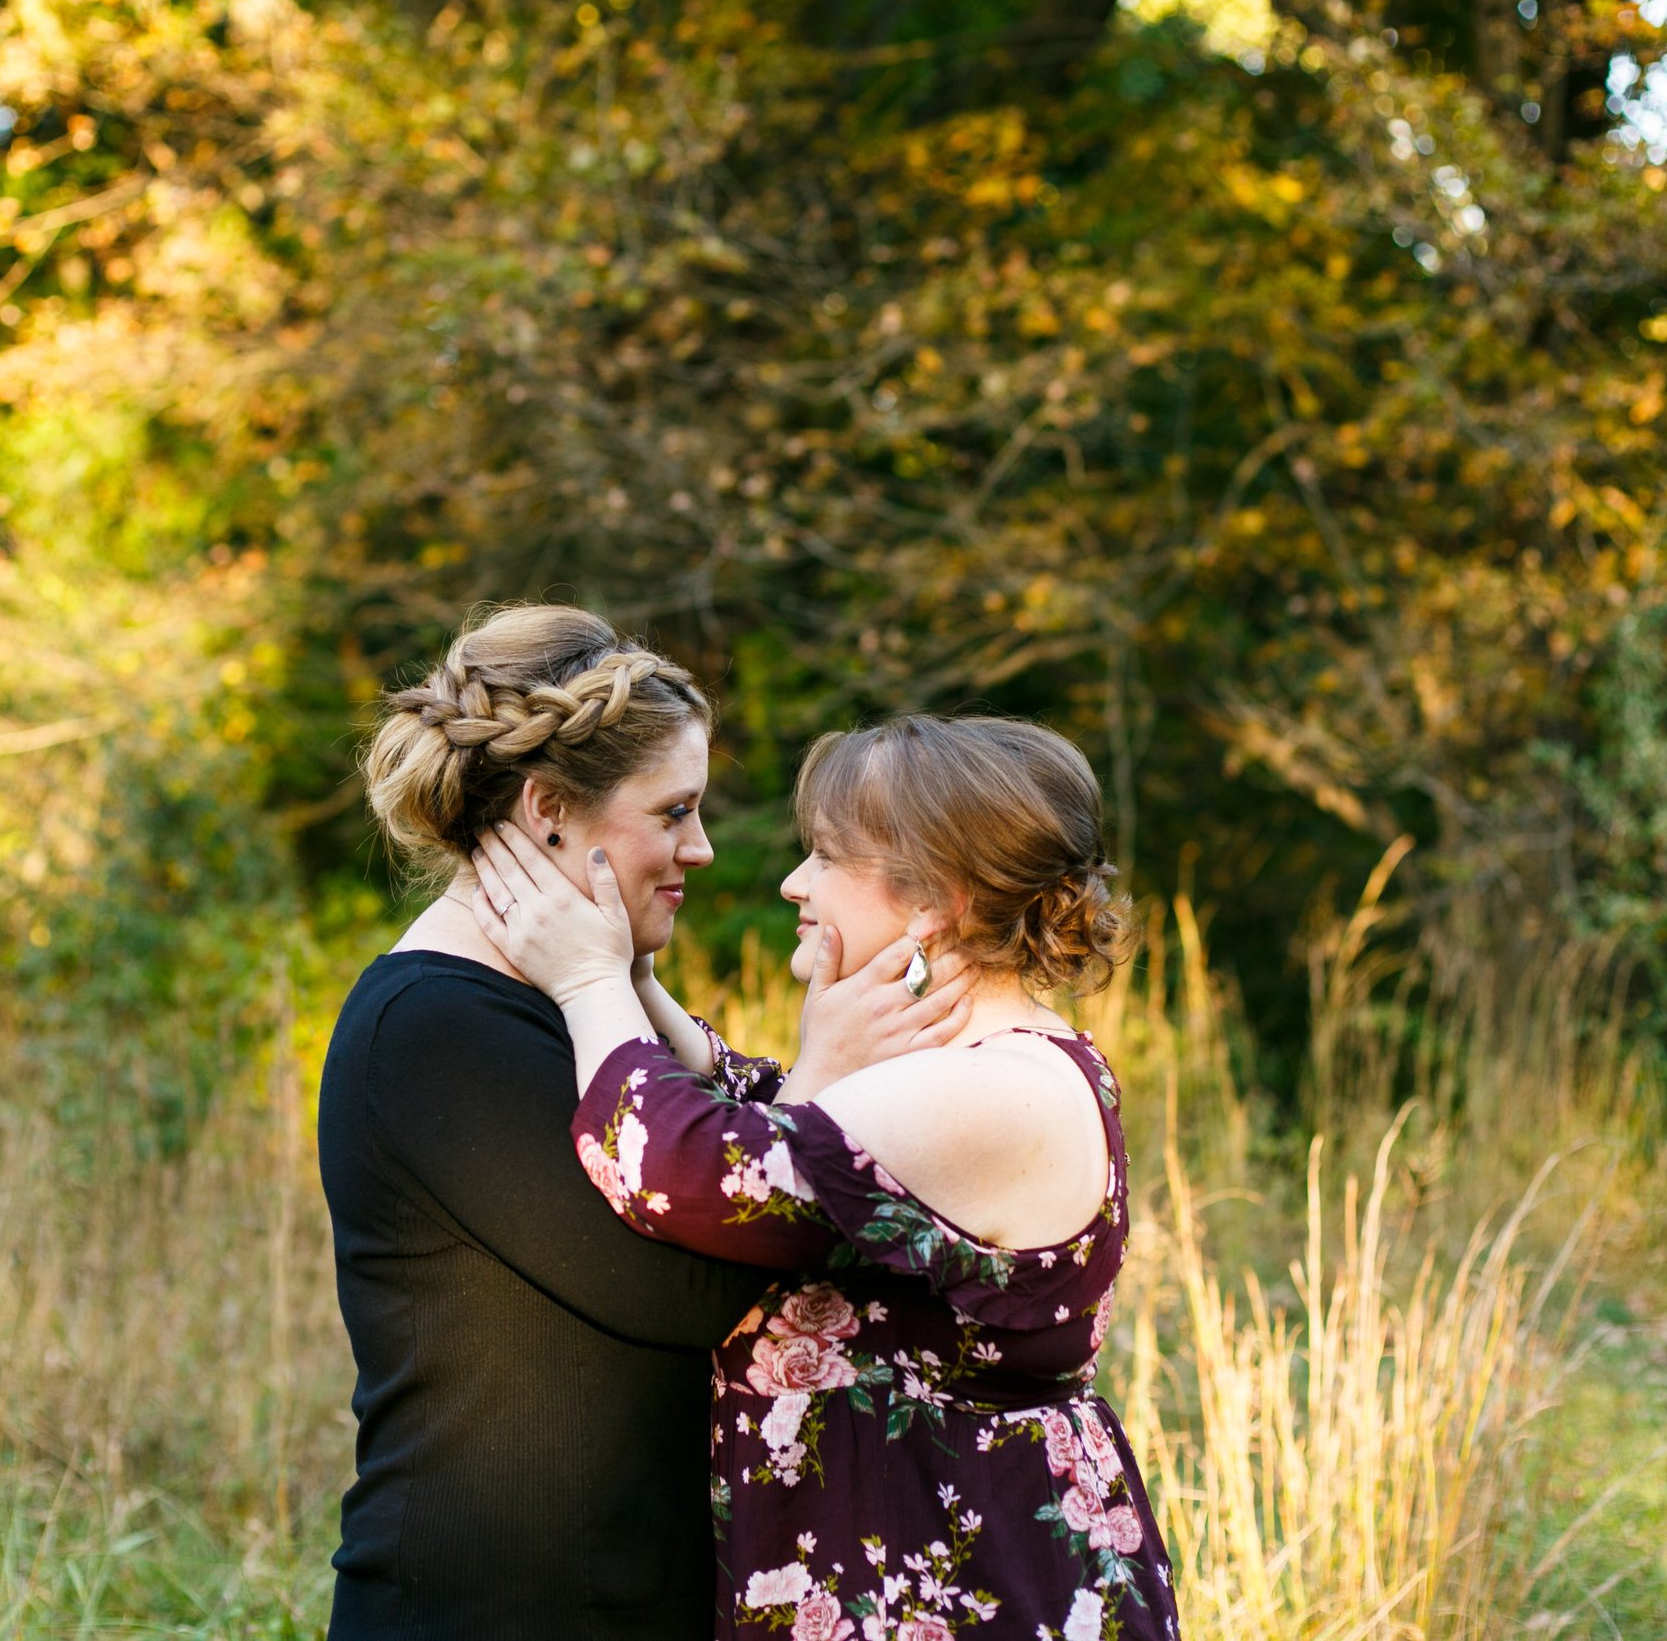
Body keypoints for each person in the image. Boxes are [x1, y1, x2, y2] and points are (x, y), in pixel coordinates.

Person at [319, 605, 969, 1640]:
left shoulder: (576, 1011)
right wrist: (823, 1073)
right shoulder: (432, 1029)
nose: (700, 848)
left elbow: (699, 1154)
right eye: (672, 810)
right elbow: (687, 1286)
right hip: (490, 1612)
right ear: (547, 810)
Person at [471, 714, 1182, 1641]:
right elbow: (790, 1122)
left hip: (977, 1600)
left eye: (827, 857)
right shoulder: (980, 1064)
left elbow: (687, 1168)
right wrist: (638, 978)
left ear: (934, 899)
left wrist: (585, 983)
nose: (792, 881)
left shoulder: (993, 1091)